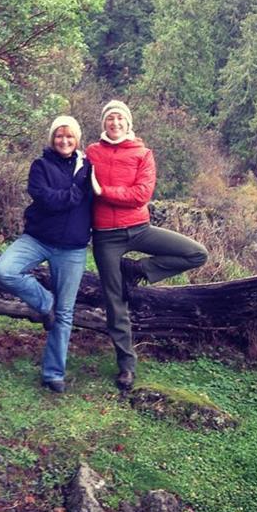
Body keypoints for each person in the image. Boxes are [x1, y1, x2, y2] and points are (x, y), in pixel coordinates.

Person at [86, 100, 208, 391]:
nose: (115, 123)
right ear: (104, 123)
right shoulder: (91, 152)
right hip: (105, 235)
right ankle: (127, 366)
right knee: (115, 302)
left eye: (120, 118)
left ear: (128, 123)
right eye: (110, 118)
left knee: (196, 253)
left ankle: (137, 269)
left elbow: (141, 195)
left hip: (139, 228)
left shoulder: (143, 153)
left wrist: (103, 191)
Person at [0, 115, 92, 394]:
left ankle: (53, 373)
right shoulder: (40, 166)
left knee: (65, 313)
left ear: (77, 139)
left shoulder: (89, 167)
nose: (64, 140)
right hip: (37, 239)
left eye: (69, 136)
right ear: (52, 138)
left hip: (72, 247)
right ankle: (44, 300)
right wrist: (74, 192)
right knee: (3, 270)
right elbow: (46, 199)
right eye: (59, 135)